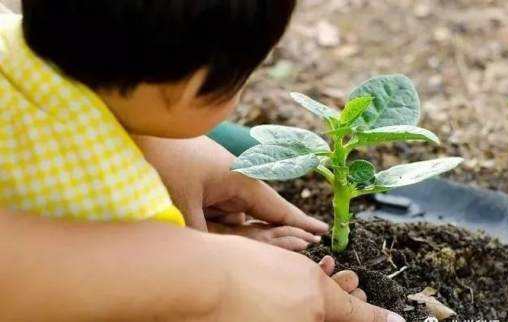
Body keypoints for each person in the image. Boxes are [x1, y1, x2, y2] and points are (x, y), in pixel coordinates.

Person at [0, 1, 405, 321]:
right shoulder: (116, 200)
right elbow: (146, 296)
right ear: (191, 87)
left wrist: (153, 143)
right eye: (244, 79)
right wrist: (209, 280)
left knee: (220, 139)